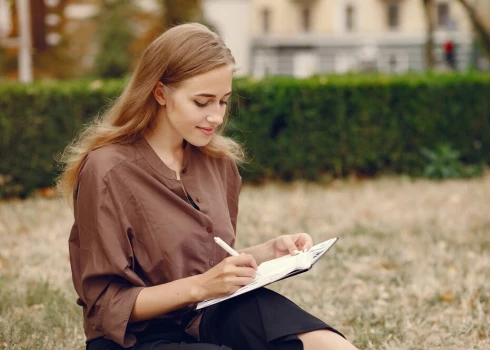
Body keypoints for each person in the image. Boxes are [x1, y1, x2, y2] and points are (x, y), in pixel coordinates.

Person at [57, 23, 359, 350]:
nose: (216, 117)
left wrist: (267, 253)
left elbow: (206, 265)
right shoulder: (107, 170)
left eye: (223, 101)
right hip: (136, 338)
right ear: (160, 93)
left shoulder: (219, 163)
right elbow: (105, 304)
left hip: (210, 313)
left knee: (324, 343)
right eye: (202, 102)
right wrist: (202, 287)